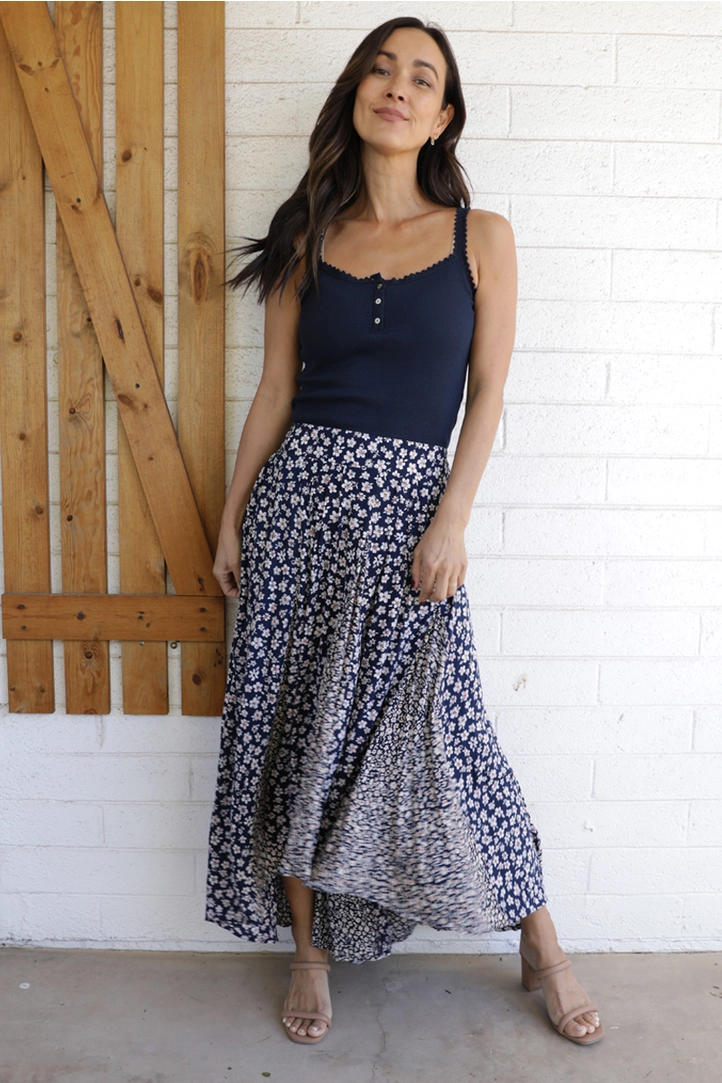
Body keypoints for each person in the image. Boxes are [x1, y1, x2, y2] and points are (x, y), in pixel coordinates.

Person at [206, 16, 603, 1049]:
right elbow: (275, 390)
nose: (397, 86)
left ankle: (540, 940)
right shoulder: (307, 235)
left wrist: (452, 519)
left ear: (443, 116)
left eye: (421, 77)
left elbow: (488, 391)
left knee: (451, 734)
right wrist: (232, 516)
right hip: (297, 514)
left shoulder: (482, 237)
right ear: (356, 95)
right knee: (297, 730)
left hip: (410, 521)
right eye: (381, 69)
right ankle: (308, 952)